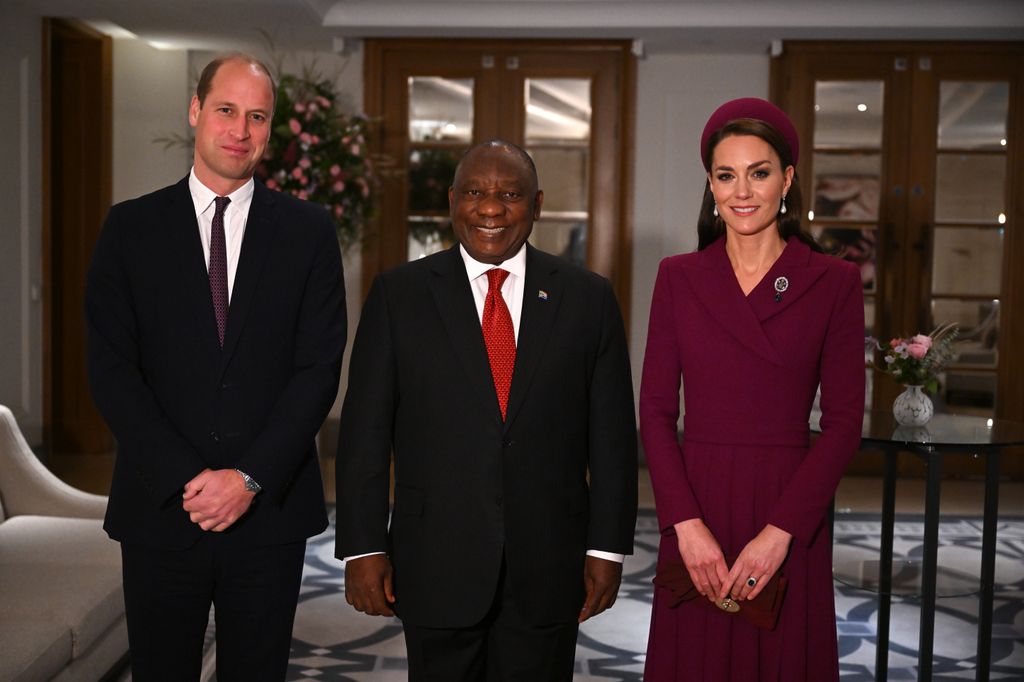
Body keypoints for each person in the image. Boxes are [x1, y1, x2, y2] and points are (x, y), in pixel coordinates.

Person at [335, 140, 638, 681]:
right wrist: (362, 548)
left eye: (510, 194)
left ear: (538, 204)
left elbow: (612, 439)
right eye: (475, 191)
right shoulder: (398, 296)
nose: (491, 207)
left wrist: (607, 550)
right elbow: (365, 435)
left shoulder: (587, 300)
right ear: (452, 200)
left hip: (550, 563)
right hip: (434, 561)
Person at [86, 53, 347, 681]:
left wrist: (248, 477)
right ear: (196, 111)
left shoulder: (309, 231)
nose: (240, 129)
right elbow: (112, 371)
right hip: (160, 509)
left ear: (270, 129)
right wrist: (189, 480)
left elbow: (318, 369)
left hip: (269, 512)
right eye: (227, 109)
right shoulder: (130, 229)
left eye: (257, 116)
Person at [640, 98, 865, 681]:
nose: (743, 191)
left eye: (759, 172)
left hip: (790, 507)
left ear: (787, 179)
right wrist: (684, 526)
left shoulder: (833, 282)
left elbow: (843, 422)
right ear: (710, 185)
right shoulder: (679, 277)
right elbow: (657, 412)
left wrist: (781, 532)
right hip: (698, 505)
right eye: (726, 175)